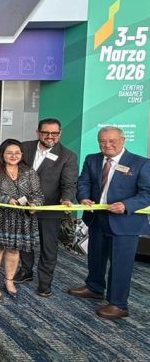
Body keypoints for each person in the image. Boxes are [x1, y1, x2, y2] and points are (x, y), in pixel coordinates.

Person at [68, 126, 150, 320]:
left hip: (125, 222)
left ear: (122, 140)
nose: (107, 145)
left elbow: (147, 193)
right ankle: (94, 287)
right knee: (95, 256)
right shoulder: (92, 159)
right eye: (103, 141)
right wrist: (84, 198)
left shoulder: (141, 163)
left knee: (120, 264)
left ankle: (118, 304)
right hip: (97, 218)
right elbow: (83, 182)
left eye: (112, 141)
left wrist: (127, 205)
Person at [15, 118, 78, 297]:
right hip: (24, 206)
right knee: (24, 242)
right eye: (45, 132)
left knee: (48, 247)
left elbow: (69, 183)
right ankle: (26, 271)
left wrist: (66, 199)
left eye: (54, 133)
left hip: (50, 208)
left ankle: (45, 282)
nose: (50, 136)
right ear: (38, 132)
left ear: (60, 134)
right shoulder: (24, 148)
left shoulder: (67, 156)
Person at [0, 139, 44, 301]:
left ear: (22, 154)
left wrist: (35, 205)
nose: (13, 156)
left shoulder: (29, 171)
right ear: (2, 153)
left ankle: (9, 280)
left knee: (14, 249)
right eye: (9, 153)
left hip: (22, 219)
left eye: (17, 153)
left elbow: (38, 193)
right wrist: (7, 200)